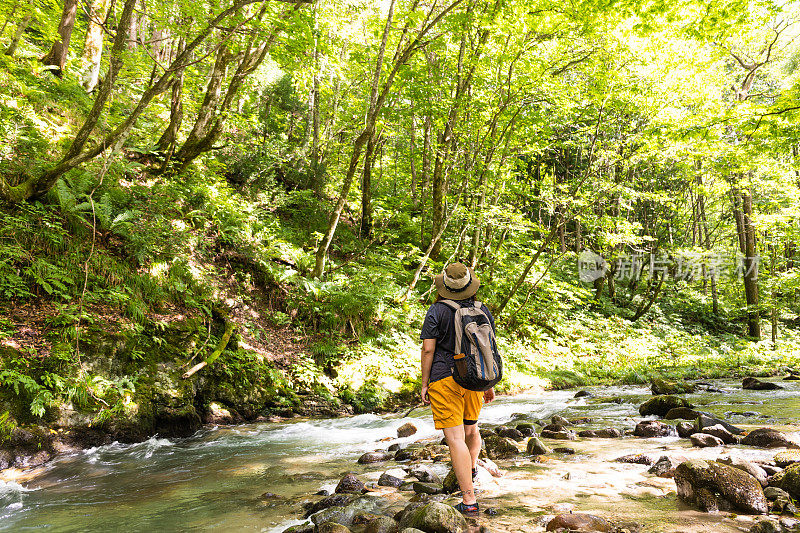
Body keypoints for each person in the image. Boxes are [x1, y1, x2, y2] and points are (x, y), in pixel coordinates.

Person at [419, 262, 496, 515]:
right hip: (474, 378)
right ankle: (471, 469)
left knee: (455, 439)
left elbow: (428, 349)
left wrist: (424, 383)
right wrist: (489, 382)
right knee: (471, 429)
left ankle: (469, 499)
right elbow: (489, 349)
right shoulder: (481, 309)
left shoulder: (436, 311)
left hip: (444, 378)